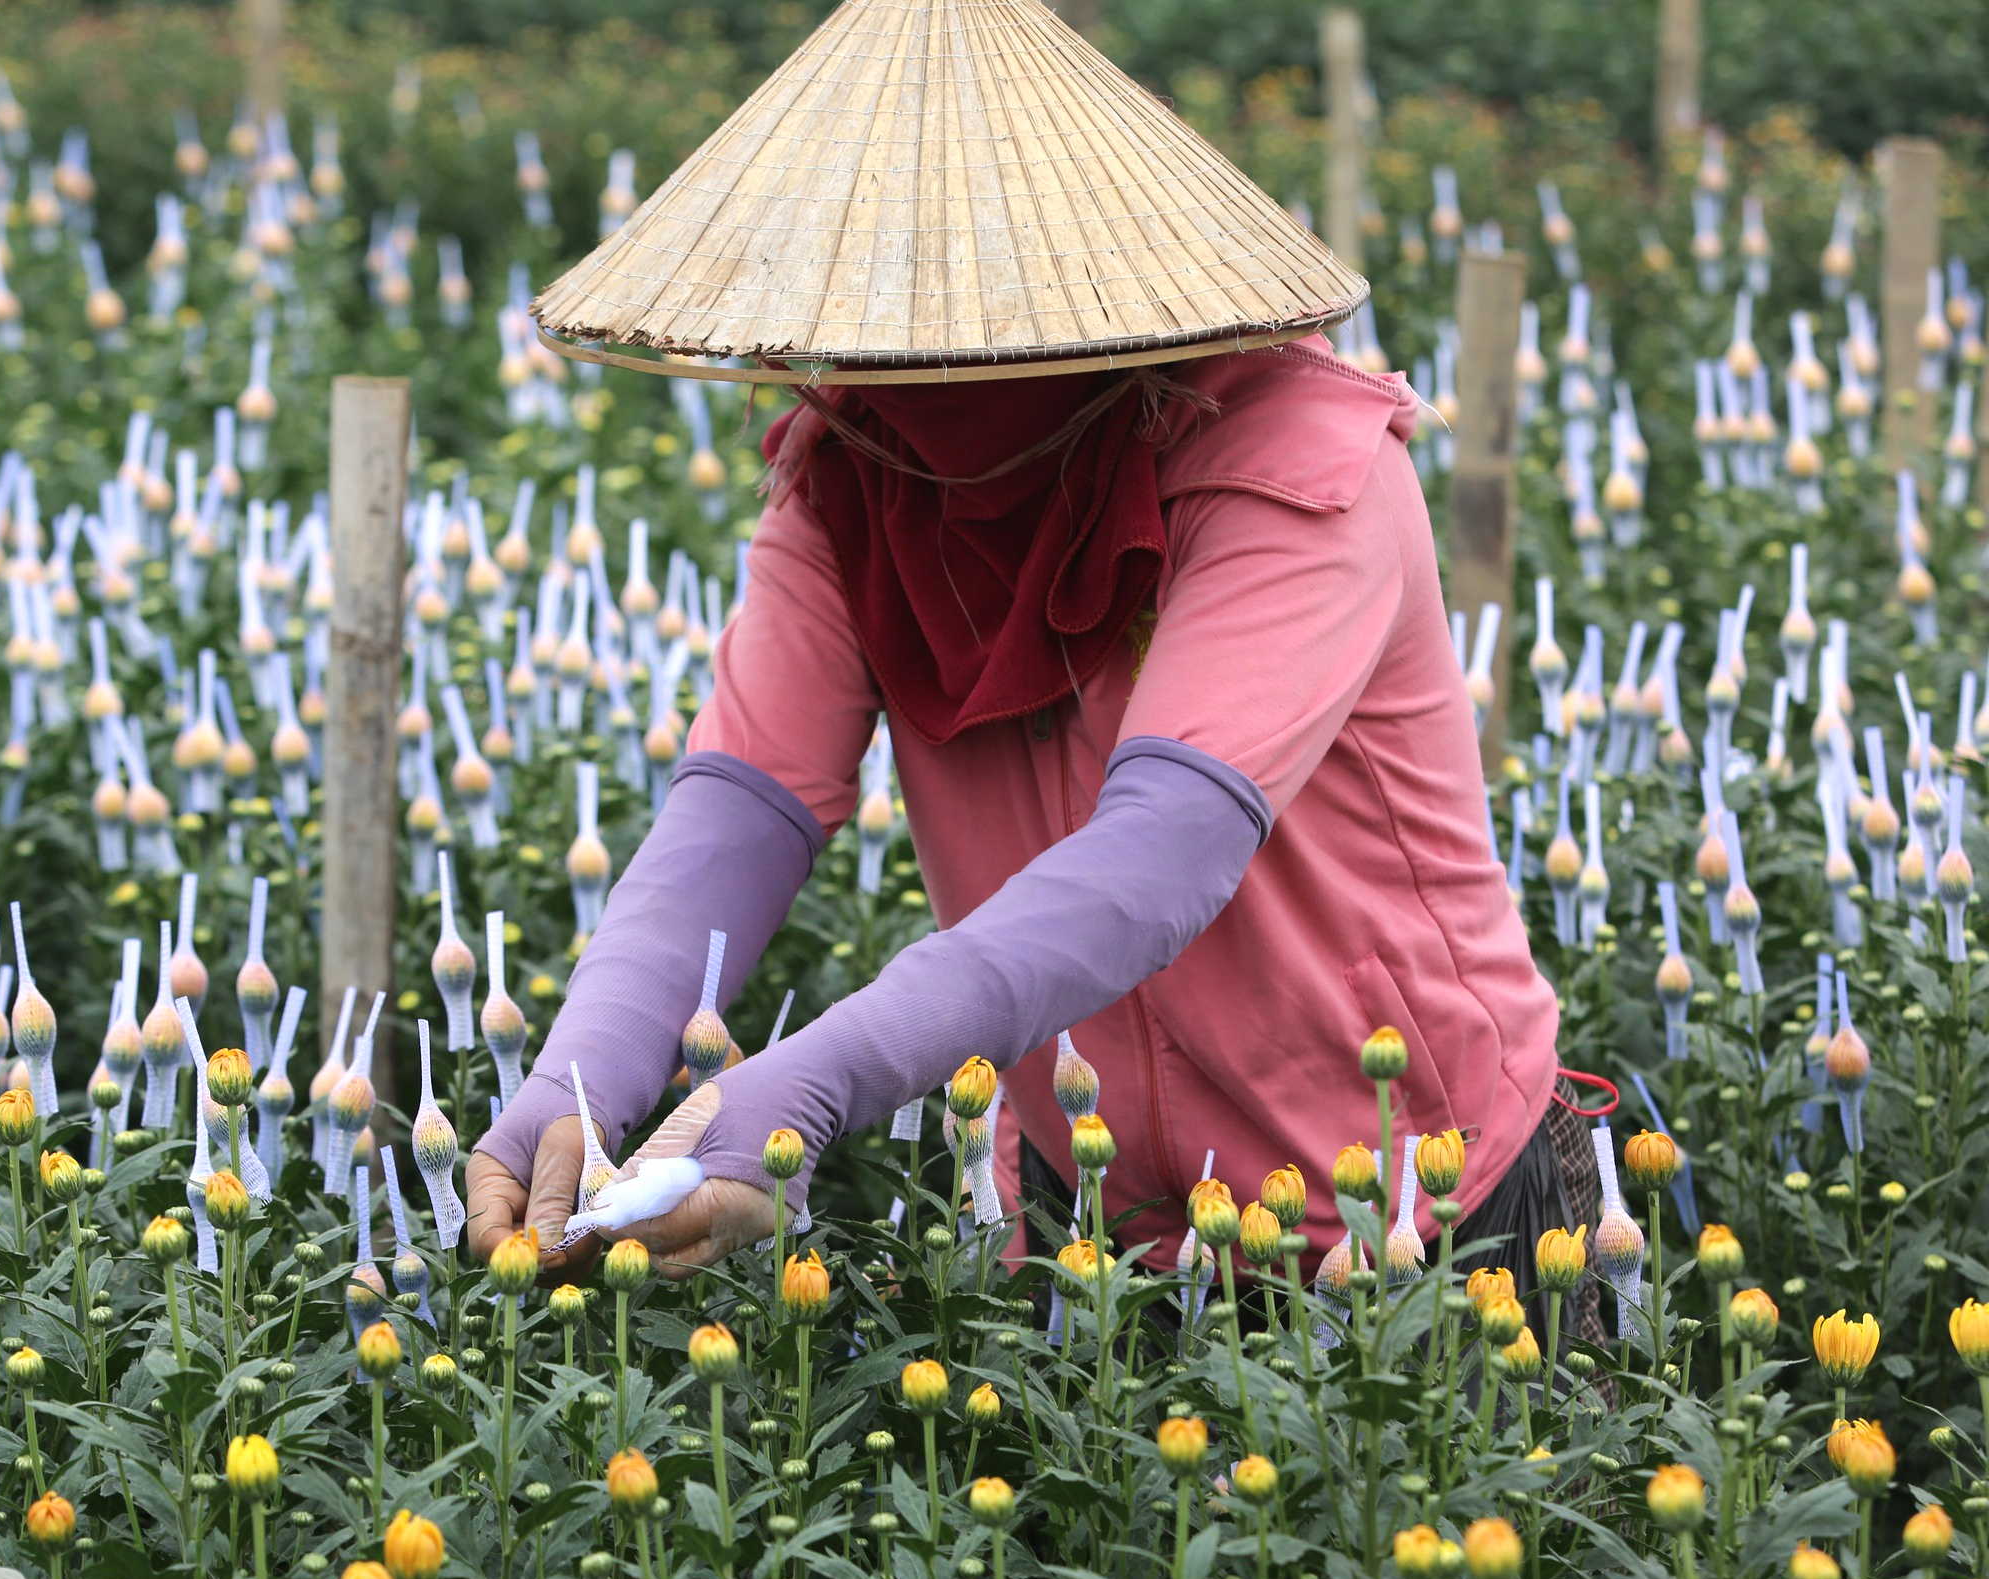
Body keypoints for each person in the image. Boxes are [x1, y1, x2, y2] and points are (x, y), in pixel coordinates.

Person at [468, 0, 1587, 1295]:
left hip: (1408, 1197)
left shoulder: (1290, 462)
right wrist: (571, 1089)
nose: (910, 361)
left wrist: (802, 1091)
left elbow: (1159, 852)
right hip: (1093, 1197)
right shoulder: (858, 471)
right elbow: (741, 811)